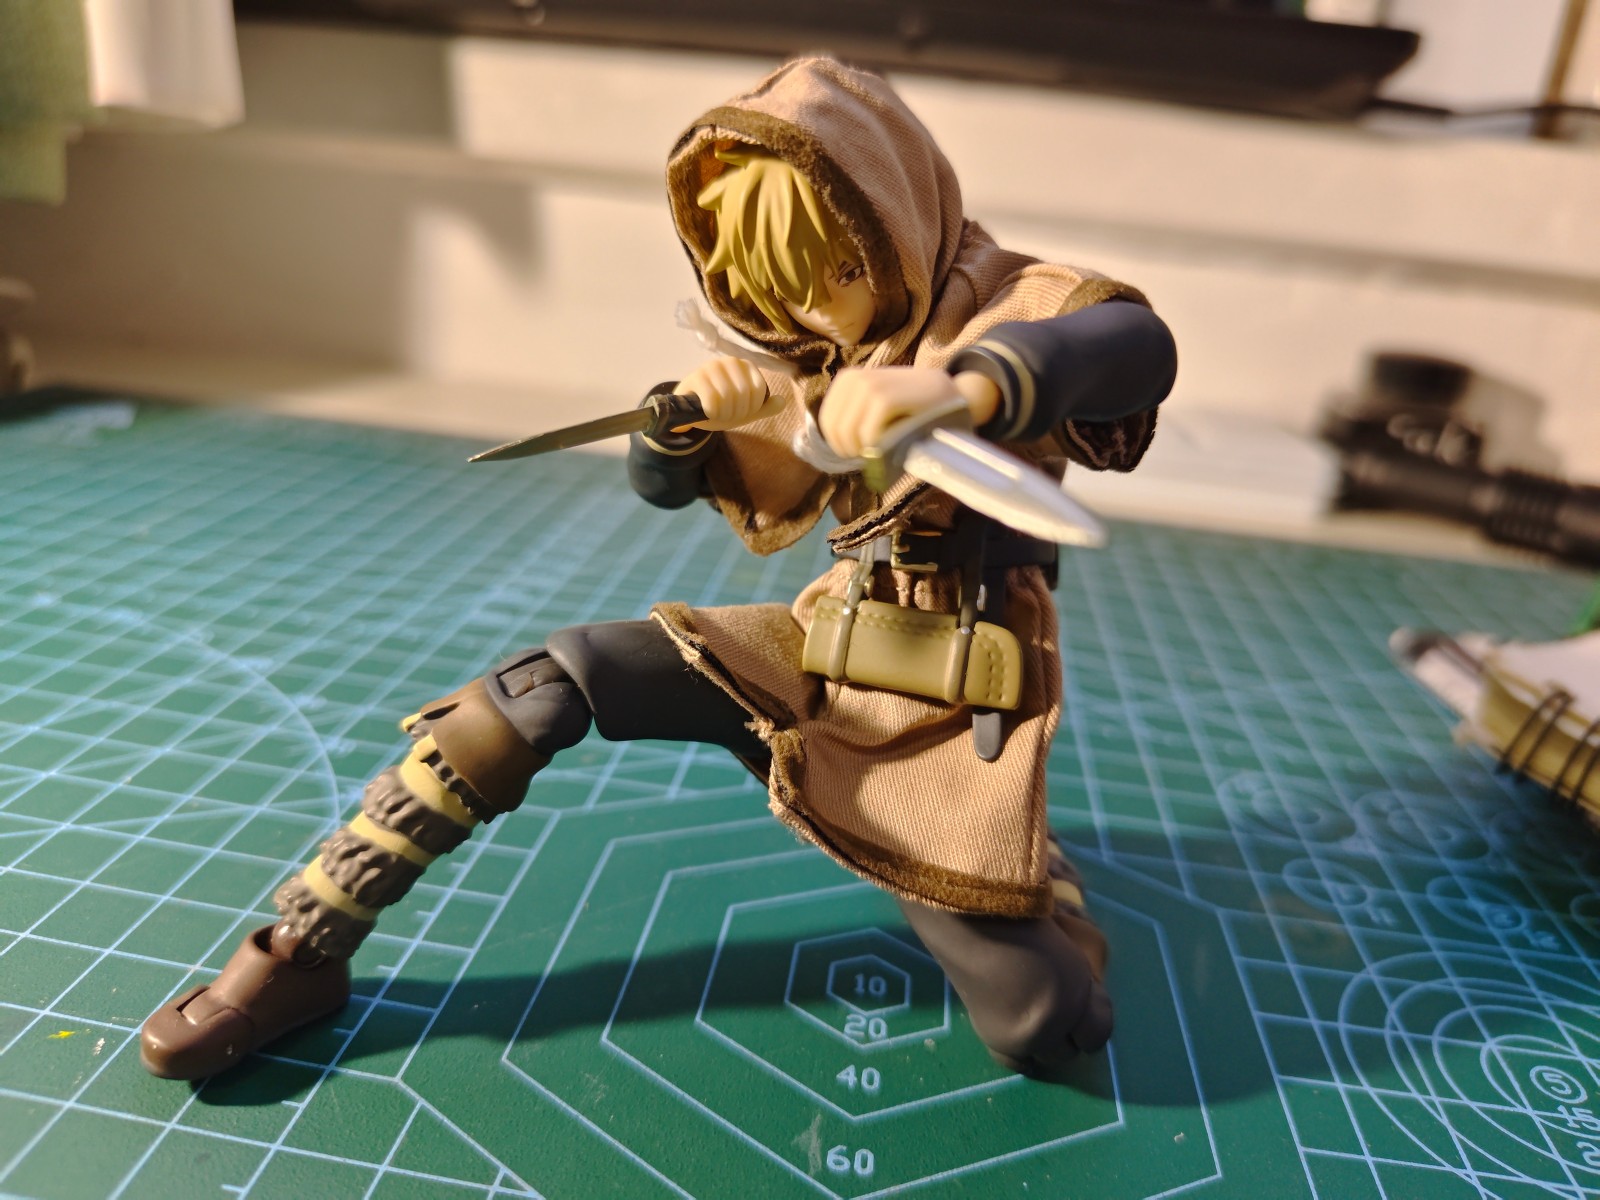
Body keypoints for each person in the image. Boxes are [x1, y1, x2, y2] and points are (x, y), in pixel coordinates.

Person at [140, 56, 1177, 1081]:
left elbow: (1134, 345)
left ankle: (1040, 883)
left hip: (943, 707)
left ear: (895, 215)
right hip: (823, 654)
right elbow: (675, 484)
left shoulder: (1003, 305)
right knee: (544, 688)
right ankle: (303, 945)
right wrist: (683, 424)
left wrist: (969, 388)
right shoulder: (819, 361)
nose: (822, 314)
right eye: (783, 289)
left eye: (842, 272)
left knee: (1045, 1025)